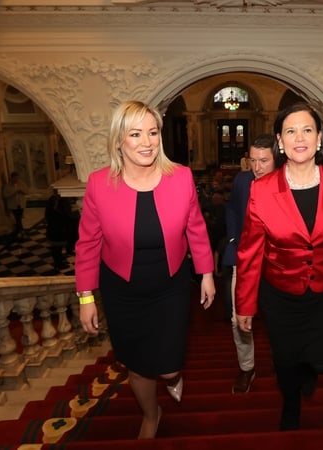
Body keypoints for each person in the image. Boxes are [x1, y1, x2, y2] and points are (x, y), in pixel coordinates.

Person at [75, 100, 216, 439]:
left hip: (171, 285)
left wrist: (207, 273)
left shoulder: (180, 177)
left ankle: (173, 378)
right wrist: (85, 297)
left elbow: (196, 228)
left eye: (152, 132)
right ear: (118, 141)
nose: (147, 142)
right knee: (137, 364)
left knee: (168, 367)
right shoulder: (98, 184)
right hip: (122, 290)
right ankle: (151, 415)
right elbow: (88, 243)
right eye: (135, 134)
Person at [234, 102, 323, 431]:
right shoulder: (262, 189)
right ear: (280, 142)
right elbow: (250, 251)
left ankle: (309, 368)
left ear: (319, 138)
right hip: (281, 292)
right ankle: (291, 404)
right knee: (286, 360)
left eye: (307, 130)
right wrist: (245, 304)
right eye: (291, 131)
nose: (300, 137)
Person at [222, 133, 276, 394]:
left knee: (280, 316)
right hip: (244, 259)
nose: (257, 167)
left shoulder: (289, 182)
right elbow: (232, 209)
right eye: (252, 160)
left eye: (263, 161)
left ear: (277, 159)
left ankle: (285, 362)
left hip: (279, 262)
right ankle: (247, 368)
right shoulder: (243, 180)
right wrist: (234, 237)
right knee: (238, 319)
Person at [45, 190, 71, 271]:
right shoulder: (60, 201)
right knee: (56, 248)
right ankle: (58, 263)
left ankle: (59, 261)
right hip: (58, 229)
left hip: (55, 229)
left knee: (57, 248)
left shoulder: (55, 200)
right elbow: (67, 214)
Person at [2, 171, 28, 241]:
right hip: (13, 205)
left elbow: (26, 191)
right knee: (18, 218)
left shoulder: (22, 184)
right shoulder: (7, 186)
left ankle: (19, 232)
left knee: (19, 218)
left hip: (21, 204)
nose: (16, 180)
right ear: (11, 178)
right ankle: (21, 232)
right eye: (14, 178)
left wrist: (21, 191)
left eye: (17, 178)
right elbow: (5, 195)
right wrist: (14, 193)